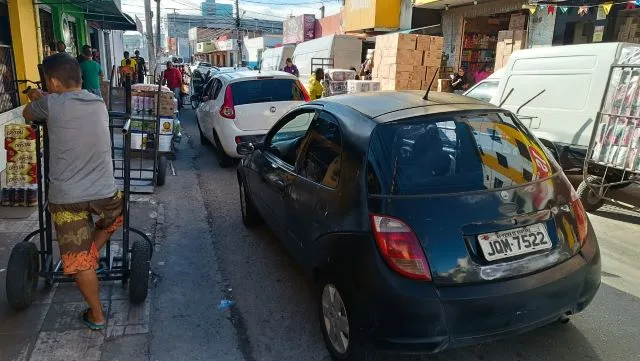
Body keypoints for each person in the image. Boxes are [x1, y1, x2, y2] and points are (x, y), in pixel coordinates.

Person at [22, 52, 122, 331]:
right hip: (105, 195)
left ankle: (97, 315)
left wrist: (36, 96)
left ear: (53, 82)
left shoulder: (50, 104)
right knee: (116, 215)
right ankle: (91, 252)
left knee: (79, 261)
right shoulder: (98, 101)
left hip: (67, 200)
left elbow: (28, 113)